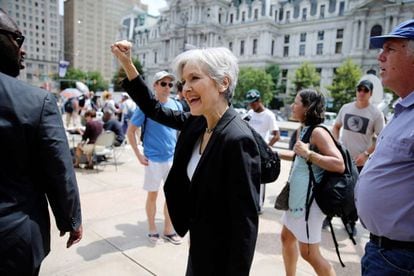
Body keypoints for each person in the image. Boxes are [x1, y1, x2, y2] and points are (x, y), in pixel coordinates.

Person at [112, 41, 260, 275]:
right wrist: (128, 63)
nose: (185, 89)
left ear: (223, 83)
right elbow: (153, 109)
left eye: (194, 78)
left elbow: (245, 224)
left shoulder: (237, 139)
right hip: (199, 244)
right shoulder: (197, 122)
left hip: (220, 257)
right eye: (184, 82)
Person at [0, 8, 82, 275]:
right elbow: (59, 169)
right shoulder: (37, 101)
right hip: (13, 238)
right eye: (17, 39)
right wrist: (71, 220)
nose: (22, 50)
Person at [356, 19, 414, 275]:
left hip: (401, 258)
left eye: (390, 49)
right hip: (384, 251)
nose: (380, 57)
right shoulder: (402, 110)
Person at [280, 89, 344, 276]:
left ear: (308, 108)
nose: (293, 106)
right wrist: (271, 153)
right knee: (286, 238)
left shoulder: (318, 132)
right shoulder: (304, 128)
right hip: (298, 199)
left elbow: (339, 164)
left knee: (309, 254)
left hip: (310, 204)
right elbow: (298, 159)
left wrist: (309, 154)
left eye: (296, 102)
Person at [126, 70, 183, 245]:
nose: (167, 87)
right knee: (153, 195)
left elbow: (180, 132)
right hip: (153, 159)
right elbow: (131, 131)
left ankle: (168, 229)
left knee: (172, 196)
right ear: (155, 86)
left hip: (171, 158)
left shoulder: (177, 105)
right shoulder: (146, 106)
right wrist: (139, 155)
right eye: (163, 83)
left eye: (170, 84)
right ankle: (152, 228)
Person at [329, 79, 384, 236]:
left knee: (354, 193)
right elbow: (336, 126)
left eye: (365, 90)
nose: (361, 92)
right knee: (334, 187)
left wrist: (366, 154)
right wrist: (335, 145)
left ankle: (350, 222)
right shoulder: (346, 108)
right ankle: (329, 215)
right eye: (359, 89)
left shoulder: (375, 113)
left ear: (370, 94)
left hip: (360, 161)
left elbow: (381, 138)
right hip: (341, 158)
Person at [244, 89, 280, 214]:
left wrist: (267, 147)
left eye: (253, 103)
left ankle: (258, 206)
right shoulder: (250, 113)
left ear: (259, 101)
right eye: (249, 103)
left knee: (260, 180)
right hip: (248, 150)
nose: (251, 105)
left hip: (261, 153)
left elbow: (276, 135)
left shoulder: (269, 115)